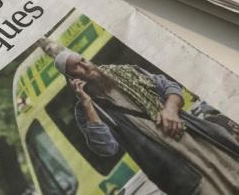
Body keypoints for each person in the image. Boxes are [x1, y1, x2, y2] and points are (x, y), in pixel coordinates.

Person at [53, 48, 239, 194]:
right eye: (76, 67)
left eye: (83, 60)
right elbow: (107, 148)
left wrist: (170, 110)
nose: (85, 66)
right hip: (174, 166)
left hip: (197, 138)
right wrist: (87, 104)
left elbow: (169, 87)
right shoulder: (85, 111)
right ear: (71, 78)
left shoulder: (124, 72)